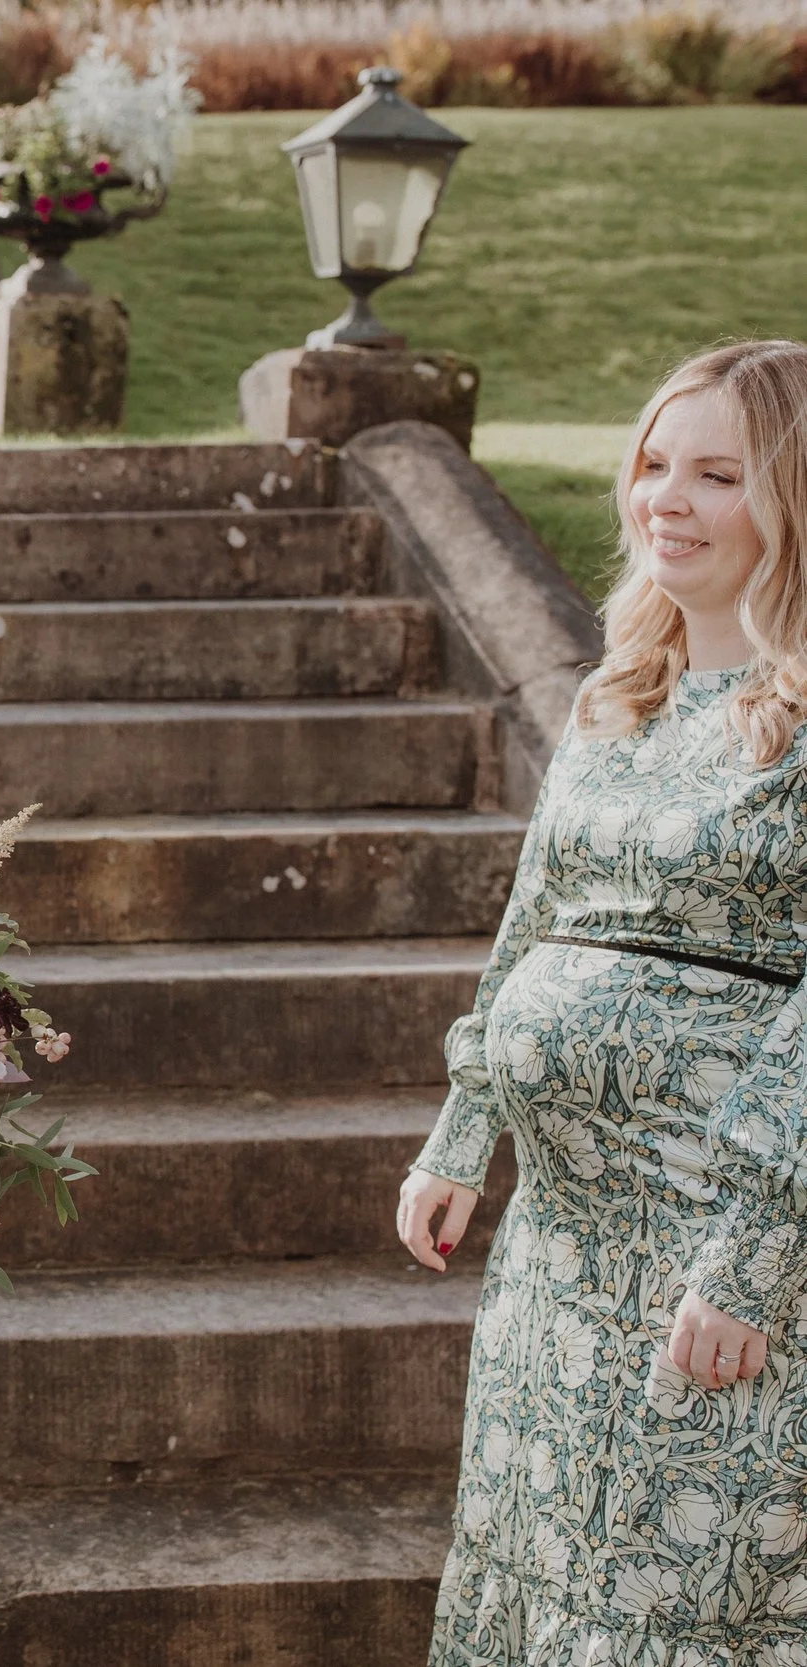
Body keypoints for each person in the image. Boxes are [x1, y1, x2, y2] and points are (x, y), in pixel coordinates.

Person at [397, 339, 807, 1664]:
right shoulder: (614, 695)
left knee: (679, 1598)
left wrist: (754, 1258)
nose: (665, 499)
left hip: (719, 1245)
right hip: (558, 1250)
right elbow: (534, 919)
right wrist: (464, 1127)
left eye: (718, 475)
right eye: (652, 464)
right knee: (539, 1562)